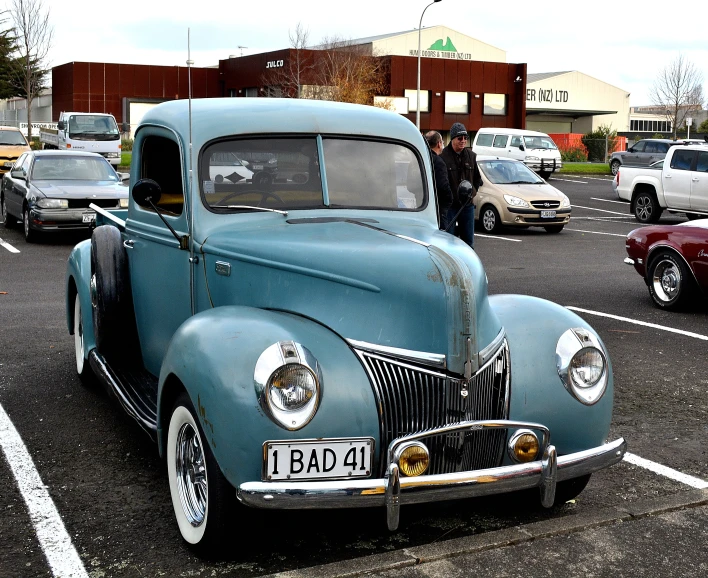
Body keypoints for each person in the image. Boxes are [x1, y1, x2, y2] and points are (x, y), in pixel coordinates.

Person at [439, 122, 483, 248]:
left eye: (465, 138)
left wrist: (471, 193)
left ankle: (468, 267)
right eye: (460, 138)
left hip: (467, 206)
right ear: (452, 139)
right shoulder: (443, 157)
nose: (463, 141)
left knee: (468, 242)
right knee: (449, 241)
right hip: (450, 207)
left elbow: (477, 179)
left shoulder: (471, 156)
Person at [424, 130, 453, 230]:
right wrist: (449, 200)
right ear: (439, 144)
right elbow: (443, 186)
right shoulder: (439, 162)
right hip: (438, 209)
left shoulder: (421, 159)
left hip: (422, 207)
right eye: (442, 142)